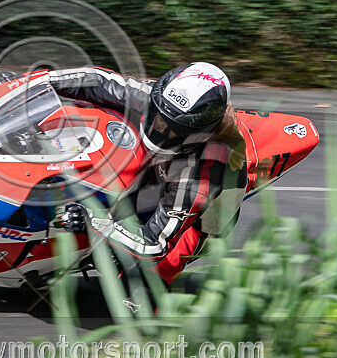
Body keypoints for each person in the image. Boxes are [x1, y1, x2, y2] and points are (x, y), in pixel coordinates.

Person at [48, 63, 248, 296]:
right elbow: (98, 81)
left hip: (196, 224)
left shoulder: (201, 175)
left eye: (175, 129)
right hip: (160, 175)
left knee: (139, 294)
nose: (160, 127)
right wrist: (40, 81)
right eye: (158, 116)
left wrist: (93, 221)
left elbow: (154, 244)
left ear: (200, 133)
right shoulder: (161, 99)